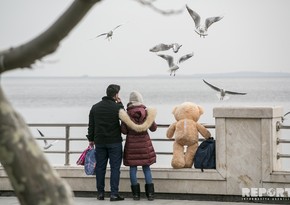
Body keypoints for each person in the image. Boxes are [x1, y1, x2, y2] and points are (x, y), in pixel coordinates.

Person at [86, 84, 125, 201]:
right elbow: (124, 118)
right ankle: (114, 194)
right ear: (116, 94)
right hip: (114, 142)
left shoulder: (95, 107)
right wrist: (120, 103)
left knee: (100, 168)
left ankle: (100, 193)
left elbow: (91, 125)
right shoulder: (117, 107)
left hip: (100, 142)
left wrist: (91, 139)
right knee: (115, 168)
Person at [119, 91, 157, 201]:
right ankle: (150, 194)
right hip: (145, 145)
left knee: (133, 168)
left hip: (131, 145)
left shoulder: (125, 114)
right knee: (146, 168)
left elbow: (124, 131)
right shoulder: (147, 112)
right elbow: (153, 128)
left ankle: (136, 195)